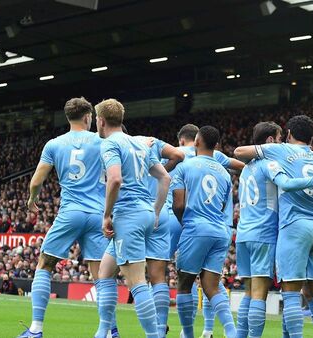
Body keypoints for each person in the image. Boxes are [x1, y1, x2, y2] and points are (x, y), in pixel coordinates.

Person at [234, 115, 313, 338]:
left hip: (282, 228)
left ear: (290, 135)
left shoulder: (272, 156)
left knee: (284, 294)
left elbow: (241, 153)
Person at [17, 97, 109, 338]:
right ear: (88, 117)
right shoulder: (101, 141)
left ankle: (36, 329)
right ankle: (109, 330)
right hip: (98, 214)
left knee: (45, 264)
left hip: (70, 212)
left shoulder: (54, 144)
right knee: (101, 274)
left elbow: (36, 181)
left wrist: (31, 199)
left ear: (68, 118)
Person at [96, 127, 185, 338]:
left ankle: (153, 334)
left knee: (136, 281)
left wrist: (106, 214)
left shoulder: (117, 146)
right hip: (156, 211)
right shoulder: (148, 142)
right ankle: (106, 332)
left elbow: (114, 180)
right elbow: (178, 156)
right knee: (108, 271)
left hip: (131, 214)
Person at [165, 124, 244, 338]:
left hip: (195, 227)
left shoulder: (184, 167)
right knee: (212, 287)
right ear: (216, 145)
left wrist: (186, 223)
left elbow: (178, 205)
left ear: (197, 141)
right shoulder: (225, 173)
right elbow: (222, 205)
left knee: (184, 283)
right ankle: (232, 332)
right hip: (220, 230)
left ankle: (188, 334)